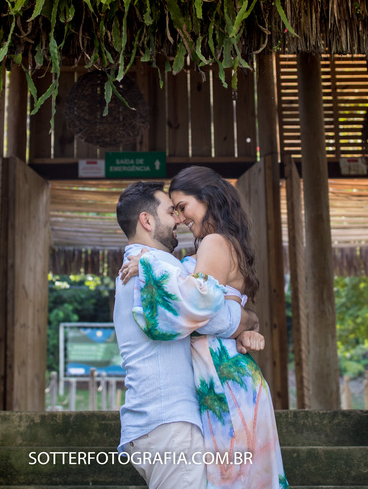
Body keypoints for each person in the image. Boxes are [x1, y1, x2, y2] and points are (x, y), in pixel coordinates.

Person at [121, 166, 288, 489]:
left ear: (208, 199)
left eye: (182, 207)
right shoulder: (223, 243)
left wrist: (147, 263)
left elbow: (198, 306)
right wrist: (246, 323)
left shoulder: (213, 241)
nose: (181, 219)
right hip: (227, 375)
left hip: (223, 380)